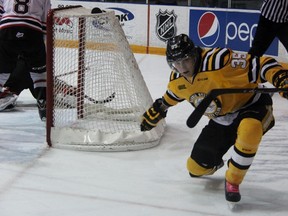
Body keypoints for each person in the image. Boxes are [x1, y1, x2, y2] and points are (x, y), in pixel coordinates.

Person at [140, 34, 288, 202]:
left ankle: (233, 179)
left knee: (250, 130)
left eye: (186, 60)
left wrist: (281, 78)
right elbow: (169, 99)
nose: (182, 67)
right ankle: (217, 162)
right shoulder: (177, 80)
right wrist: (156, 113)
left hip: (252, 106)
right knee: (195, 168)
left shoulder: (219, 60)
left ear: (195, 54)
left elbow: (261, 64)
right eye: (177, 62)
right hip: (221, 120)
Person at [0, 0, 51, 121]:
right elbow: (47, 18)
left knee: (2, 72)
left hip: (7, 31)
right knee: (39, 73)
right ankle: (43, 104)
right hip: (32, 32)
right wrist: (40, 42)